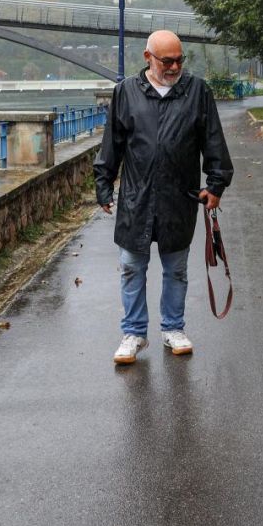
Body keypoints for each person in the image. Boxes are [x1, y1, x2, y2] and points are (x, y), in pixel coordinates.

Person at [94, 30, 234, 365]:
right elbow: (112, 144)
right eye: (167, 61)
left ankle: (173, 329)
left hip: (178, 198)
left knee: (176, 269)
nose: (174, 67)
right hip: (136, 198)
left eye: (179, 60)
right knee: (131, 268)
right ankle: (133, 334)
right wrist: (104, 183)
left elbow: (213, 140)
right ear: (148, 58)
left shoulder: (197, 91)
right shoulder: (126, 91)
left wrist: (216, 185)